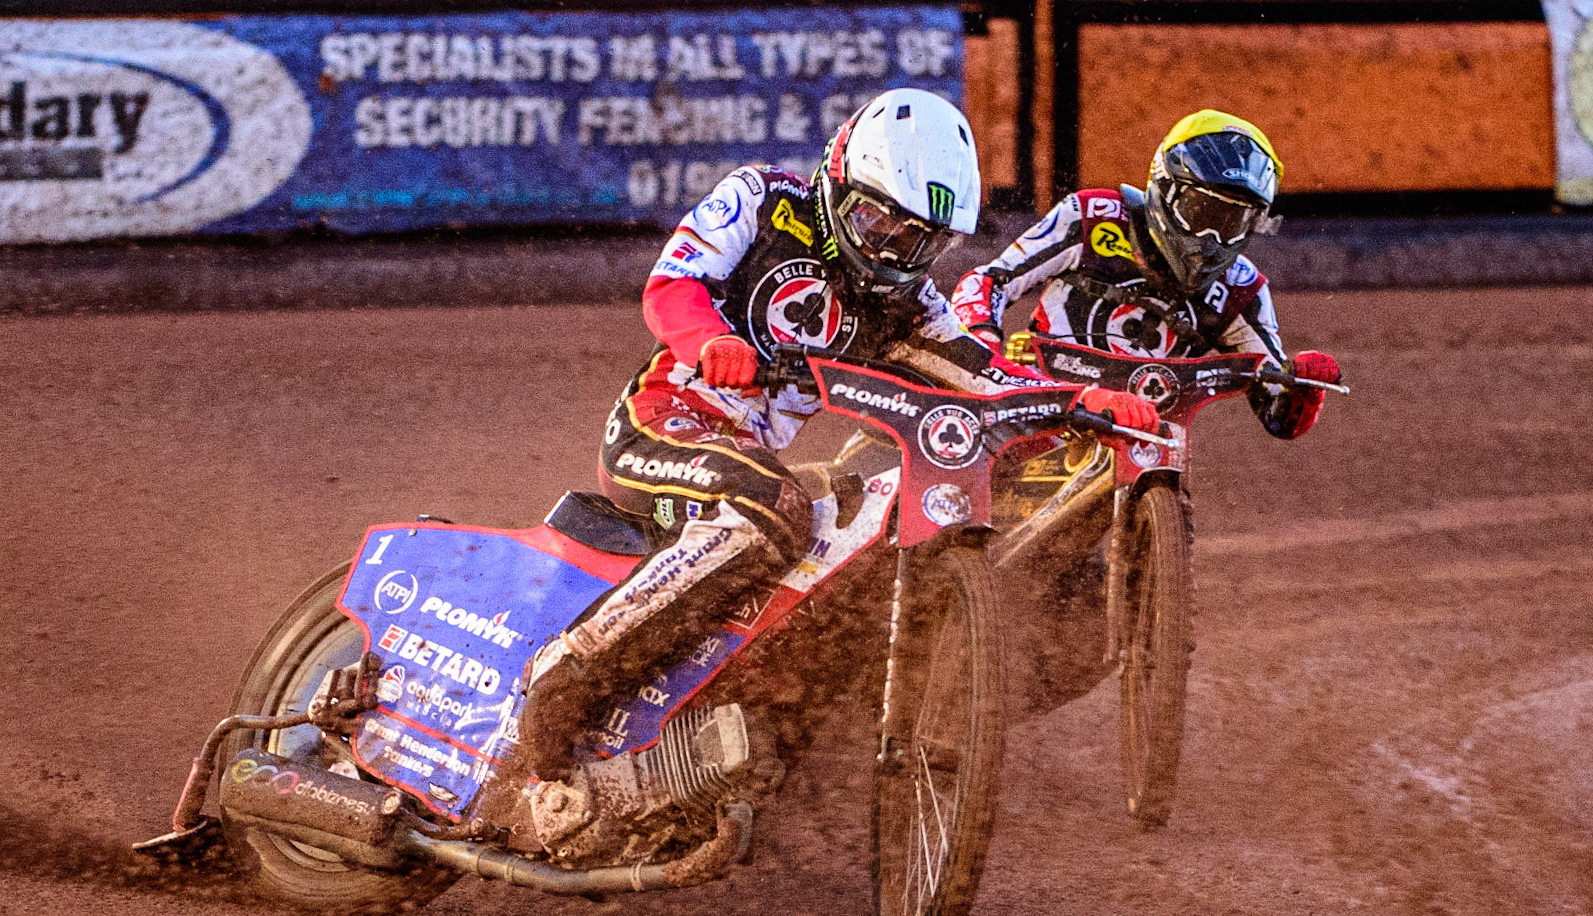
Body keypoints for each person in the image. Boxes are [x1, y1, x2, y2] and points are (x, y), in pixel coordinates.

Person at [509, 88, 1160, 784]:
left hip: (749, 458)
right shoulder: (764, 201)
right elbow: (671, 285)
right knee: (772, 505)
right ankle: (565, 677)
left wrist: (1079, 401)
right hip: (660, 425)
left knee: (851, 532)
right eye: (879, 221)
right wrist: (710, 343)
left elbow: (988, 375)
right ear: (841, 175)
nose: (891, 250)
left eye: (918, 241)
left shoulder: (908, 303)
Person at [950, 109, 1341, 438]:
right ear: (1164, 187)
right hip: (1039, 405)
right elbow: (990, 280)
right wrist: (981, 343)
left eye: (1231, 223)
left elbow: (1279, 412)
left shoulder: (1241, 287)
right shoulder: (1092, 217)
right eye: (1201, 213)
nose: (1210, 238)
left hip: (1145, 435)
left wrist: (1305, 386)